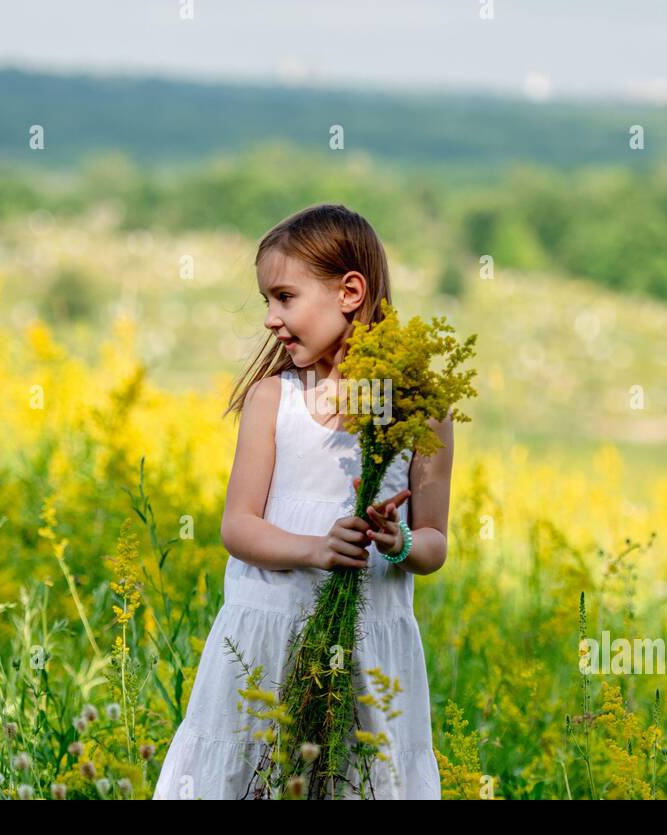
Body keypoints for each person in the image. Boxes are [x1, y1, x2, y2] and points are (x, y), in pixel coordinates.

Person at [152, 204, 452, 799]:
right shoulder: (273, 400)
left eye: (284, 297)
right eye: (266, 300)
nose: (269, 319)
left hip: (367, 651)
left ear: (349, 291)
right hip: (268, 639)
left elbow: (435, 543)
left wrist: (400, 543)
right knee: (249, 775)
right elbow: (238, 527)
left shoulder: (423, 408)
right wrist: (315, 549)